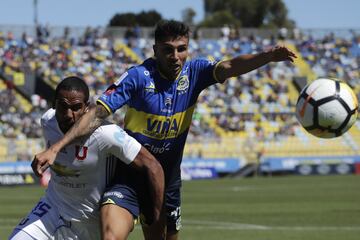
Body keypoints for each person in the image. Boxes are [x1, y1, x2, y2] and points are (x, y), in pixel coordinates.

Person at [33, 20, 297, 240]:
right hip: (130, 177)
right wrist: (55, 147)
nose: (175, 57)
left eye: (182, 49)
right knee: (110, 237)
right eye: (168, 50)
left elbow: (228, 67)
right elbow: (97, 111)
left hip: (168, 182)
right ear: (155, 50)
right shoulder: (137, 77)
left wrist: (268, 57)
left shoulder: (196, 73)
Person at [10, 76, 164, 240]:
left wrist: (158, 217)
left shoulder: (106, 134)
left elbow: (152, 165)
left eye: (76, 108)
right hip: (53, 209)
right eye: (63, 106)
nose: (69, 114)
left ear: (87, 109)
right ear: (54, 104)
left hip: (91, 221)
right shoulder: (47, 121)